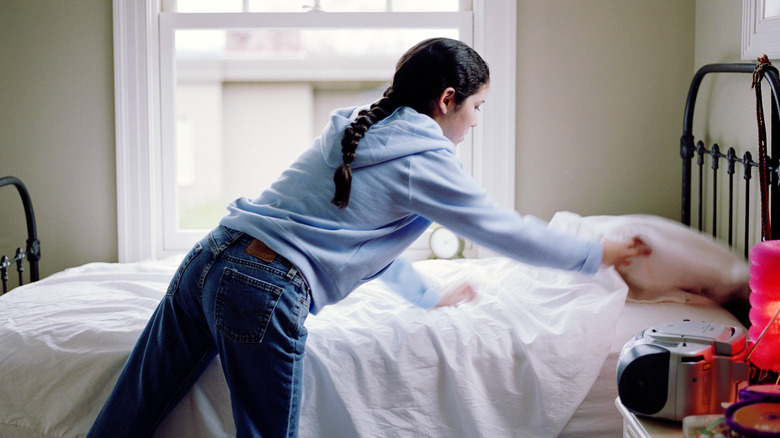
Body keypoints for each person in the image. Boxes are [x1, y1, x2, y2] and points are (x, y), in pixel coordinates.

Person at [88, 37, 649, 438]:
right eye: (477, 107)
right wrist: (594, 251)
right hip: (259, 290)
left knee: (128, 414)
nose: (477, 123)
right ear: (448, 100)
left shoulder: (361, 129)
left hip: (209, 258)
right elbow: (502, 230)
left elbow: (347, 243)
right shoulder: (424, 155)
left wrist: (428, 293)